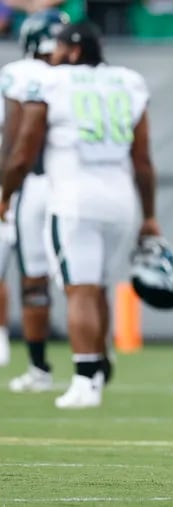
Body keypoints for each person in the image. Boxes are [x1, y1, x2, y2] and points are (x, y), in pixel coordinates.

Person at [0, 21, 161, 408]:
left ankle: (86, 378)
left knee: (79, 290)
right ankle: (100, 367)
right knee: (98, 286)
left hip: (73, 198)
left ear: (72, 51)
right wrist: (149, 215)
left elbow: (22, 151)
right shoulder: (127, 81)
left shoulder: (51, 83)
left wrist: (5, 193)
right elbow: (142, 160)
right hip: (121, 199)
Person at [0, 9, 68, 390]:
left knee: (33, 279)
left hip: (30, 182)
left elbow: (12, 139)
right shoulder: (80, 76)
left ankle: (40, 369)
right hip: (77, 184)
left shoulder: (17, 74)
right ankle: (93, 364)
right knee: (83, 280)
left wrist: (6, 190)